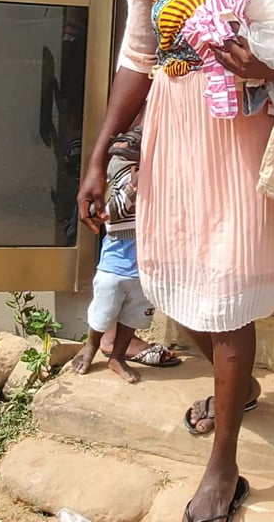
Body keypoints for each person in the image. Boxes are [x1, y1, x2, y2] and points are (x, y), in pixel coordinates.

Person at [77, 0, 274, 521]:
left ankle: (223, 466)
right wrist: (99, 154)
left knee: (229, 288)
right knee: (174, 282)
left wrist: (268, 63)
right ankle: (245, 389)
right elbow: (136, 59)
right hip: (174, 134)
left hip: (240, 139)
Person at [72, 126, 180, 381]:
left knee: (134, 314)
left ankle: (118, 357)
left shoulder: (158, 176)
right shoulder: (120, 176)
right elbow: (107, 213)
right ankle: (91, 347)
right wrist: (133, 186)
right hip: (116, 265)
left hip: (146, 264)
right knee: (103, 311)